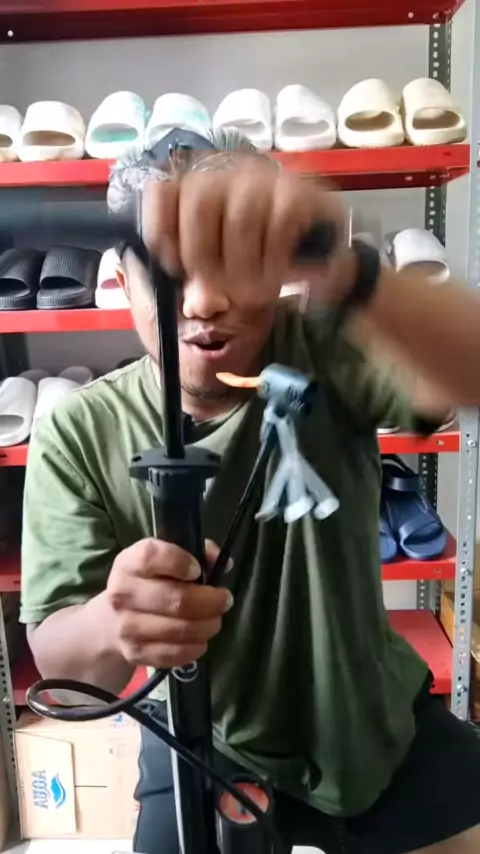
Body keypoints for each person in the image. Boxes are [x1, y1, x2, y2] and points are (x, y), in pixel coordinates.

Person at [20, 128, 480, 854]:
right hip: (204, 732)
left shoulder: (325, 345)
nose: (205, 301)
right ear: (123, 281)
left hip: (375, 721)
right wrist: (116, 621)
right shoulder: (79, 429)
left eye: (233, 266)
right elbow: (65, 669)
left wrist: (345, 266)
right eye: (170, 272)